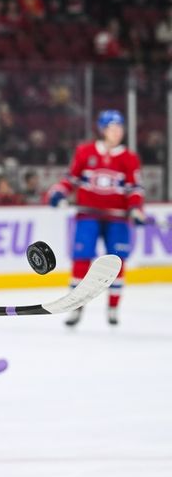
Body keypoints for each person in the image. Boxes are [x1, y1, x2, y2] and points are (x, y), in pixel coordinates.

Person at [47, 110, 145, 326]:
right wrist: (58, 192)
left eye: (120, 128)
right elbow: (70, 179)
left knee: (117, 262)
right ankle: (75, 308)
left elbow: (134, 189)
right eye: (112, 128)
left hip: (118, 219)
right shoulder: (85, 152)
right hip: (88, 215)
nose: (117, 132)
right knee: (81, 260)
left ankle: (112, 308)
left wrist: (136, 208)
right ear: (102, 130)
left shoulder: (129, 158)